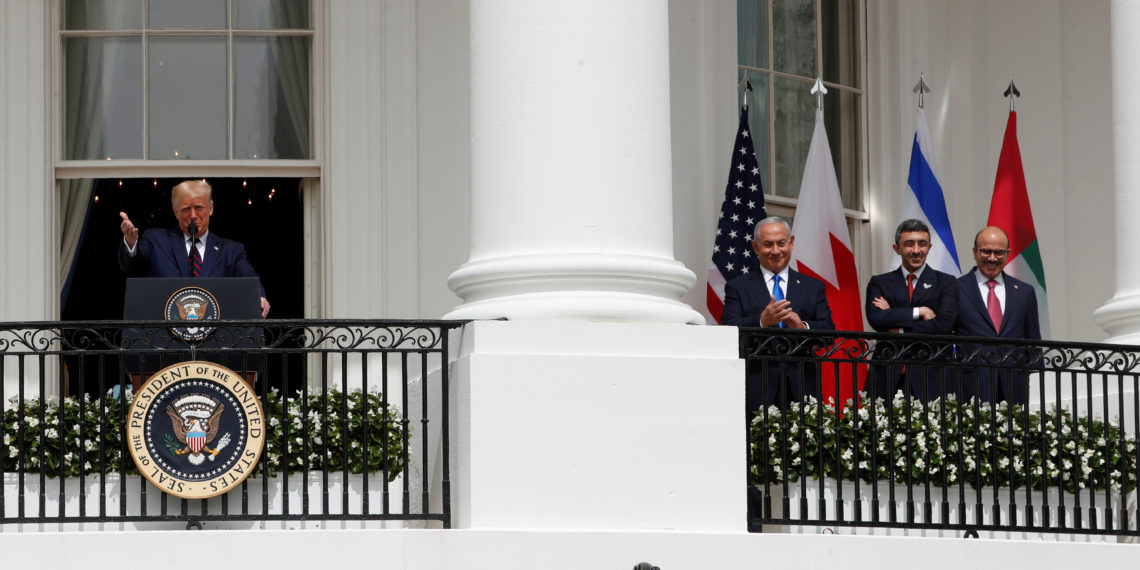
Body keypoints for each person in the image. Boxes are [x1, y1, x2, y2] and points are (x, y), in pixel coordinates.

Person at [722, 217, 834, 410]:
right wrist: (761, 321)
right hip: (757, 387)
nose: (775, 251)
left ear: (791, 243)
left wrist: (802, 327)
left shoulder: (813, 287)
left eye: (781, 243)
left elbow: (829, 332)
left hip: (802, 387)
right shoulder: (738, 287)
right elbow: (728, 330)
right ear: (755, 247)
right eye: (768, 244)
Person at [118, 179, 270, 318]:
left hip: (216, 335)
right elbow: (132, 265)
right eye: (186, 209)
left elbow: (249, 279)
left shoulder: (231, 251)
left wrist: (259, 297)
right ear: (176, 212)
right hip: (165, 333)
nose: (193, 215)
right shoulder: (156, 240)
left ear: (210, 208)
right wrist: (131, 242)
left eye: (199, 208)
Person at [864, 219, 958, 401]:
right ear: (897, 248)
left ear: (929, 247)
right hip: (888, 374)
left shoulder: (946, 282)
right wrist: (920, 312)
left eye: (922, 244)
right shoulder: (880, 282)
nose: (916, 250)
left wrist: (898, 327)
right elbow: (876, 319)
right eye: (909, 244)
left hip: (931, 375)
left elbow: (943, 325)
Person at [954, 226, 1041, 404]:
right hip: (971, 387)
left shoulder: (1024, 292)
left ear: (1008, 254)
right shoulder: (955, 289)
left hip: (1015, 386)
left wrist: (1039, 389)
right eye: (986, 251)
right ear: (975, 252)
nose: (992, 258)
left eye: (999, 252)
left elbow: (1033, 343)